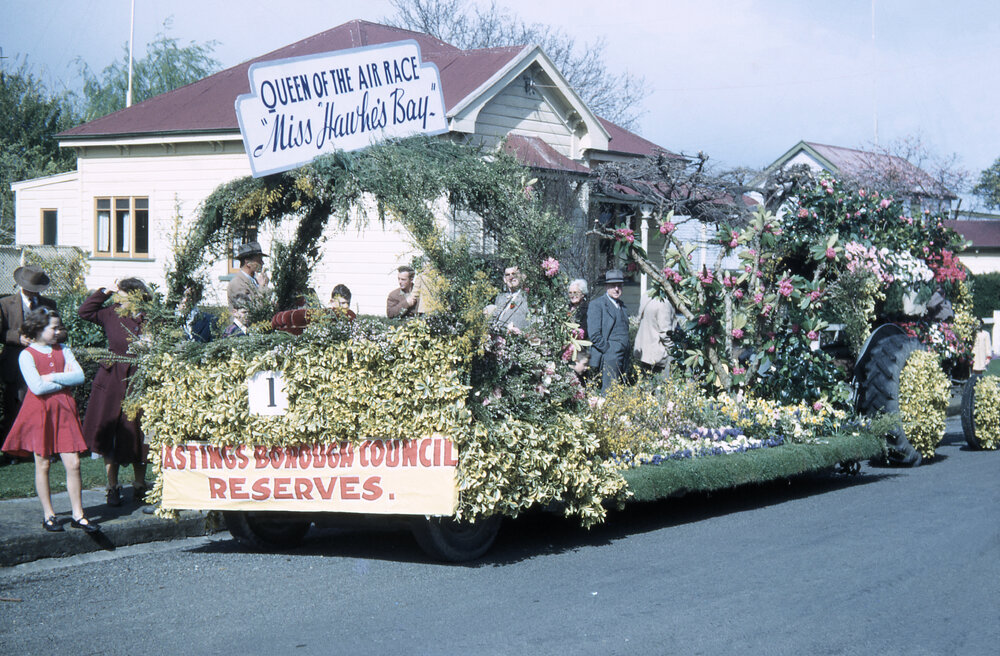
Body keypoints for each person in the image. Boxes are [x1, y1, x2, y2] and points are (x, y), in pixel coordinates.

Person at [2, 309, 98, 533]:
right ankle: (49, 514)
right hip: (39, 413)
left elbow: (80, 376)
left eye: (59, 327)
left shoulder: (64, 349)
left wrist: (53, 377)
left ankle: (78, 514)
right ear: (38, 329)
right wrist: (65, 380)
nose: (58, 331)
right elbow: (37, 387)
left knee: (73, 463)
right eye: (53, 328)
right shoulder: (26, 355)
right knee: (43, 463)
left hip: (64, 410)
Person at [78, 279, 150, 507]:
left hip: (138, 379)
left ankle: (140, 485)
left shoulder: (150, 317)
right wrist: (104, 291)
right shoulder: (111, 313)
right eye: (117, 294)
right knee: (110, 434)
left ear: (136, 295)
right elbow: (85, 312)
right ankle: (113, 487)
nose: (118, 297)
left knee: (140, 433)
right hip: (111, 380)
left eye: (122, 293)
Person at [1, 265, 58, 452]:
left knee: (42, 404)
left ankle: (41, 446)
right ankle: (14, 449)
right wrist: (17, 337)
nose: (32, 292)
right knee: (14, 405)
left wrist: (48, 337)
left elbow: (61, 331)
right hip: (15, 361)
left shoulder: (49, 305)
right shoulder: (5, 304)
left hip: (42, 363)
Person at [588, 269, 631, 392]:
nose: (616, 289)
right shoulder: (597, 304)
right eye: (613, 286)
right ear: (607, 286)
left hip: (624, 356)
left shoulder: (622, 306)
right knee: (609, 392)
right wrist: (609, 350)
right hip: (610, 355)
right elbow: (594, 334)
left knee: (620, 391)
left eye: (619, 285)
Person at [633, 295, 675, 375]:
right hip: (658, 354)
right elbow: (665, 332)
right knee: (661, 384)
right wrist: (673, 349)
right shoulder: (663, 303)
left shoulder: (647, 297)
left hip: (645, 352)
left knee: (647, 383)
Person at [227, 241, 269, 310]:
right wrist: (262, 287)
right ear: (248, 262)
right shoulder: (237, 283)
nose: (262, 263)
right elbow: (251, 310)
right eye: (259, 260)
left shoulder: (255, 281)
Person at [486, 265, 530, 331]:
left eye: (514, 274)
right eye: (507, 275)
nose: (511, 277)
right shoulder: (500, 298)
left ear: (521, 276)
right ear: (504, 279)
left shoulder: (527, 298)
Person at [568, 279, 590, 377]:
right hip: (567, 348)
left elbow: (585, 330)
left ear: (583, 294)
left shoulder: (587, 309)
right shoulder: (566, 308)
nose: (572, 295)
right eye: (570, 293)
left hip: (581, 348)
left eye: (575, 292)